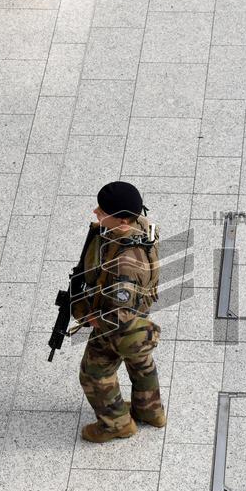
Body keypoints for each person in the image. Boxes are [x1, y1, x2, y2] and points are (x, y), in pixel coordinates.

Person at [73, 182, 165, 443]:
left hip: (118, 323)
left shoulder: (125, 264)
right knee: (140, 360)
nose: (96, 212)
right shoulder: (142, 228)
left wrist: (90, 317)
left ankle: (116, 425)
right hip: (141, 313)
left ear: (123, 219)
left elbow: (118, 316)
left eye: (103, 212)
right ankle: (151, 412)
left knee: (94, 373)